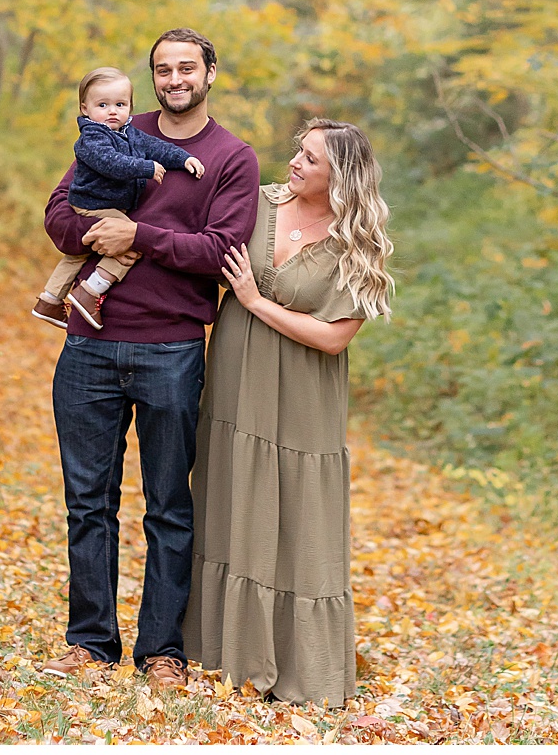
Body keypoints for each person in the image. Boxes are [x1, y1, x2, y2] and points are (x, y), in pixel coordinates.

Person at [40, 29, 260, 691]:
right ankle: (90, 642)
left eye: (186, 67)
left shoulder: (232, 159)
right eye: (163, 69)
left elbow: (220, 249)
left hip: (172, 347)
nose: (174, 78)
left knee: (167, 505)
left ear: (210, 73)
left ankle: (162, 650)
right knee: (88, 502)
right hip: (89, 348)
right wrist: (95, 233)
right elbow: (59, 215)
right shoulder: (115, 129)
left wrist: (140, 235)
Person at [185, 118, 394, 706]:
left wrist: (252, 300)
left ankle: (302, 663)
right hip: (235, 377)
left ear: (341, 178)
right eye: (297, 153)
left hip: (304, 392)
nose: (295, 163)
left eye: (310, 159)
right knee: (231, 494)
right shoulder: (253, 204)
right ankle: (223, 650)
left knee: (298, 513)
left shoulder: (359, 244)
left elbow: (334, 338)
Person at [32, 66, 206, 331]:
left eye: (120, 104)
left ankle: (49, 300)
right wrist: (146, 168)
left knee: (75, 256)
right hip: (93, 204)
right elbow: (111, 163)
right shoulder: (92, 137)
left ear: (129, 107)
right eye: (103, 105)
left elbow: (155, 147)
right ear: (85, 109)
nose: (112, 111)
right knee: (132, 239)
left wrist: (184, 158)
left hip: (104, 204)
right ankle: (91, 290)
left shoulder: (128, 132)